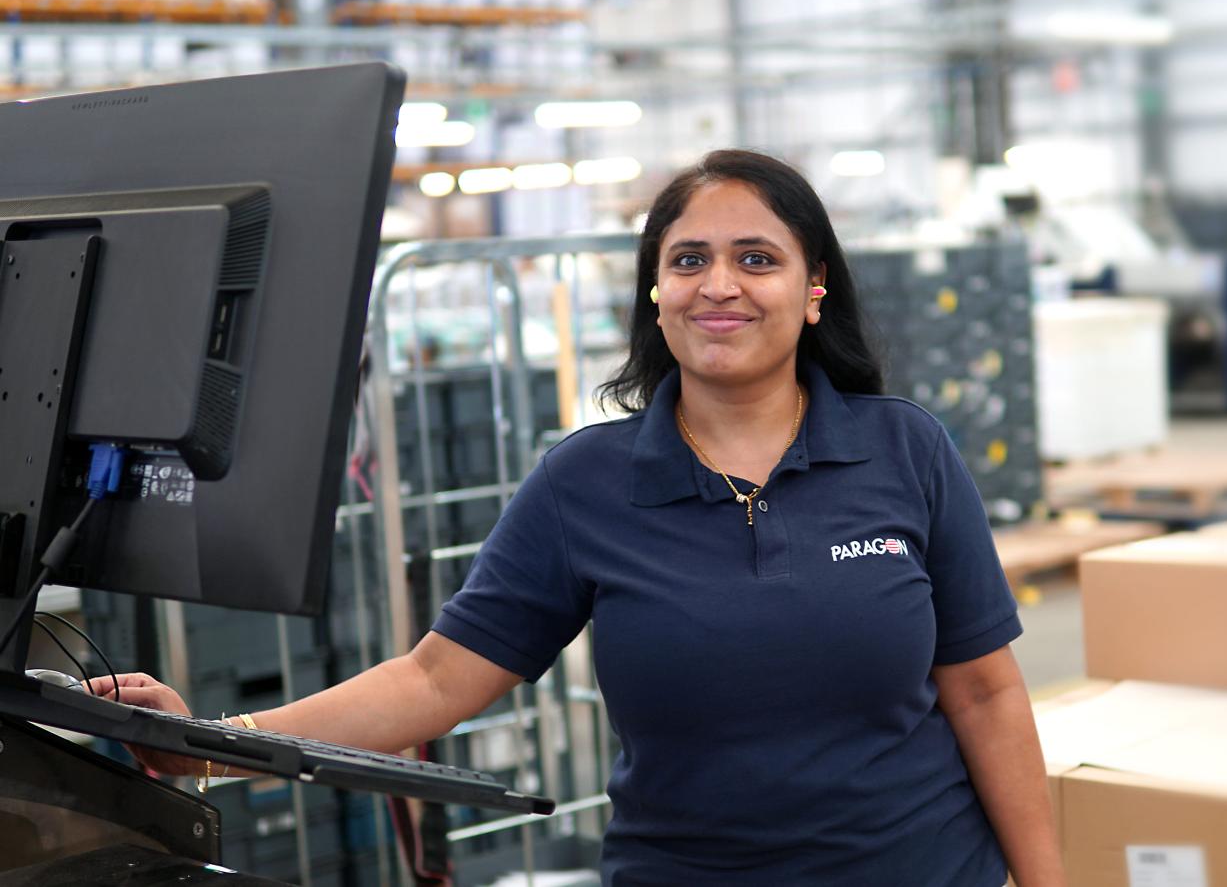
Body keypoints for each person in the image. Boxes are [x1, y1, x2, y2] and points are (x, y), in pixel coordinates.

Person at [90, 149, 1067, 886]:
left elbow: (985, 694)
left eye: (756, 258)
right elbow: (434, 681)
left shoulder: (904, 450)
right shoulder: (585, 483)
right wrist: (212, 743)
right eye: (688, 260)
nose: (718, 284)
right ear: (656, 291)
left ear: (814, 292)